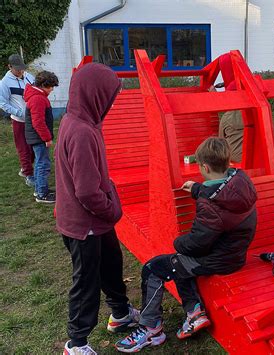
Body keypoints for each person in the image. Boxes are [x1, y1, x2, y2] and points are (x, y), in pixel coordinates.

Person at [115, 137, 258, 353]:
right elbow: (220, 194)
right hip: (235, 254)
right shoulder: (241, 183)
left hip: (216, 260)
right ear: (228, 162)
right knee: (178, 263)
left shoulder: (211, 205)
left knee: (154, 268)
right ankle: (194, 313)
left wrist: (177, 241)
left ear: (205, 167)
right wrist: (197, 189)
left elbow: (197, 244)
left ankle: (150, 327)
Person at [55, 63, 139, 355]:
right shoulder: (80, 132)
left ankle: (121, 314)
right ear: (95, 95)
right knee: (86, 283)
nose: (111, 103)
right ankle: (76, 343)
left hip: (95, 222)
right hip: (84, 225)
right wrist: (113, 210)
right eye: (109, 97)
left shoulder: (82, 121)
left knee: (111, 266)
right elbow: (88, 192)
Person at [0, 54, 35, 186]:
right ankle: (28, 174)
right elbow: (3, 103)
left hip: (33, 119)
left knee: (34, 147)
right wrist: (19, 113)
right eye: (17, 68)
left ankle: (25, 168)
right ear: (9, 67)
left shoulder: (29, 77)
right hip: (19, 121)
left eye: (22, 68)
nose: (20, 71)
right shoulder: (4, 83)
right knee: (23, 148)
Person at [24, 71, 58, 203]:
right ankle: (42, 194)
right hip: (39, 138)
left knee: (39, 163)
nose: (52, 89)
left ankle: (39, 189)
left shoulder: (36, 95)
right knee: (43, 164)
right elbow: (38, 122)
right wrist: (47, 138)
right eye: (50, 86)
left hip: (36, 137)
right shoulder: (38, 98)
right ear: (44, 85)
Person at [217, 53, 244, 163]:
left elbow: (220, 142)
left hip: (234, 161)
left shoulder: (227, 118)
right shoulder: (257, 112)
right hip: (258, 158)